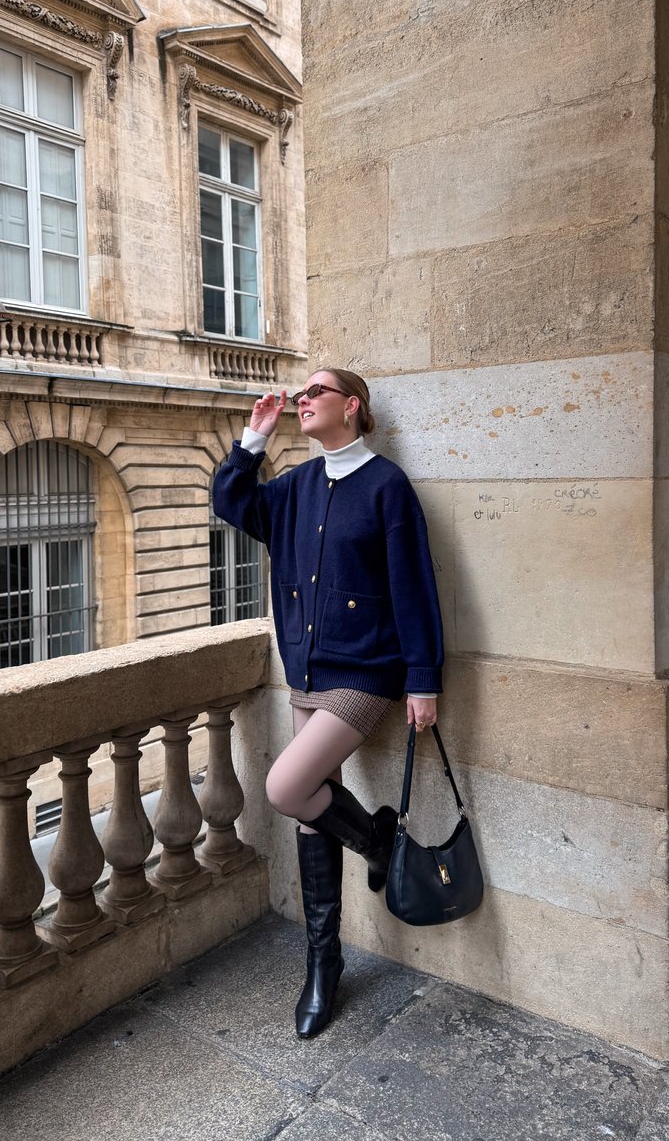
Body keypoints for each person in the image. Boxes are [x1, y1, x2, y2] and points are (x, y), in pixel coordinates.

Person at [212, 367, 443, 1038]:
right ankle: (324, 961)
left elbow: (415, 586)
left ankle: (377, 839)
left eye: (318, 391)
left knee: (287, 785)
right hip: (307, 670)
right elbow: (231, 503)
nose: (304, 399)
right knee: (313, 815)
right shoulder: (295, 488)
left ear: (353, 405)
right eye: (301, 394)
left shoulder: (386, 487)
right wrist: (253, 439)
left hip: (365, 671)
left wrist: (423, 678)